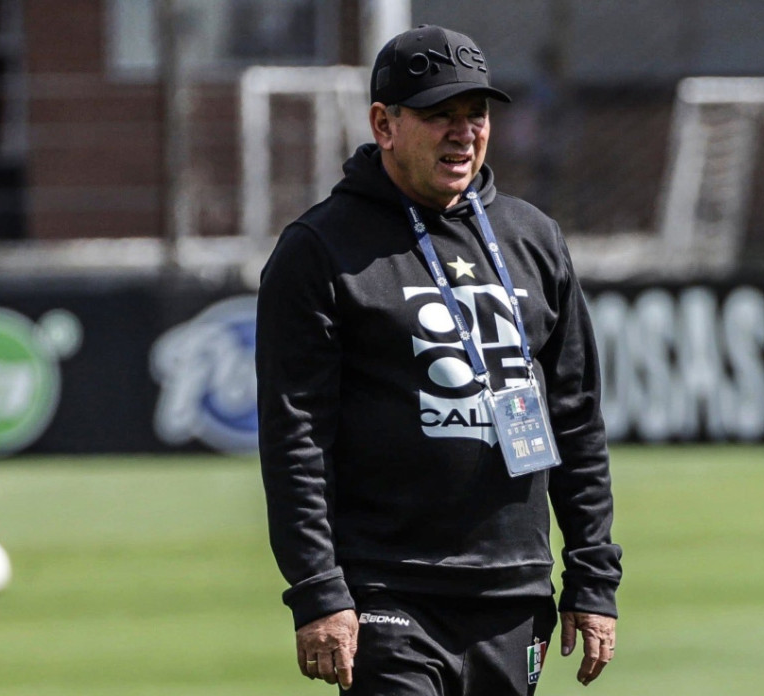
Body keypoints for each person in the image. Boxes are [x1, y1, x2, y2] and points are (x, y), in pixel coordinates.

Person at [255, 24, 623, 695]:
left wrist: (593, 577)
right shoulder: (320, 249)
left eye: (475, 113)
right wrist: (317, 588)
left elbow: (575, 420)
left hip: (514, 594)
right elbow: (296, 437)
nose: (462, 133)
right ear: (384, 124)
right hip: (387, 590)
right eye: (438, 115)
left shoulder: (534, 239)